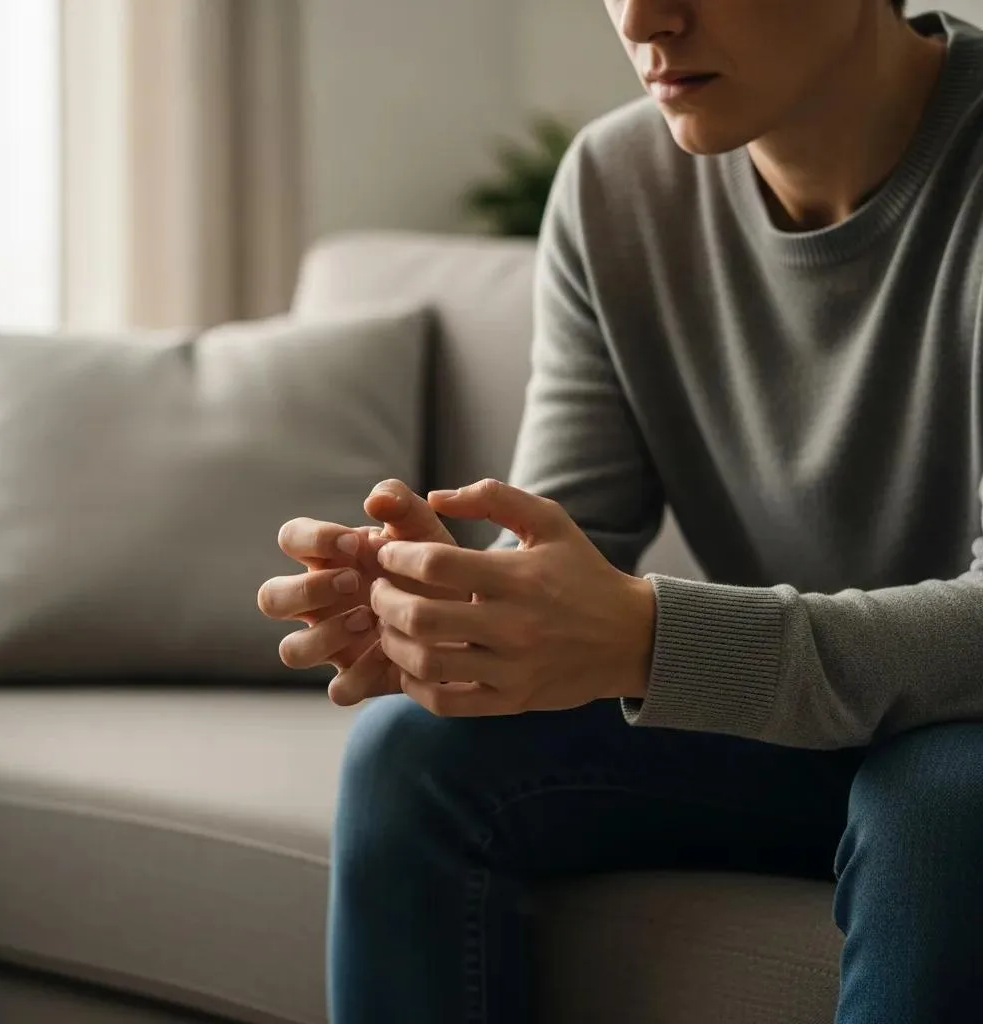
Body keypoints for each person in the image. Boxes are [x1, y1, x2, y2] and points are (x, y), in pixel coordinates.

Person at [258, 1, 983, 1020]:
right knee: (415, 753)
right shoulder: (615, 186)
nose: (644, 15)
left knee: (945, 803)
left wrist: (656, 638)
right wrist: (461, 617)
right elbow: (567, 543)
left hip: (964, 731)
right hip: (807, 731)